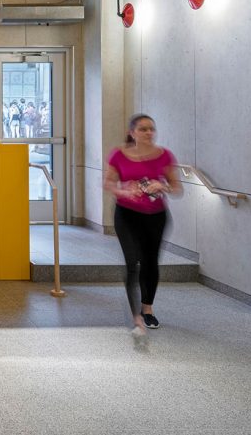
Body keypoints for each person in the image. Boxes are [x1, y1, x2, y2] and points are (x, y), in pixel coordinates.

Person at [103, 113, 181, 343]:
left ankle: (148, 309)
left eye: (151, 129)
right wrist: (124, 191)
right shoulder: (119, 154)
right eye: (144, 129)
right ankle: (136, 317)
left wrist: (162, 186)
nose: (149, 133)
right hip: (126, 215)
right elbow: (108, 182)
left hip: (155, 216)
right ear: (132, 132)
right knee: (131, 263)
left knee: (150, 261)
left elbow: (177, 187)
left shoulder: (164, 156)